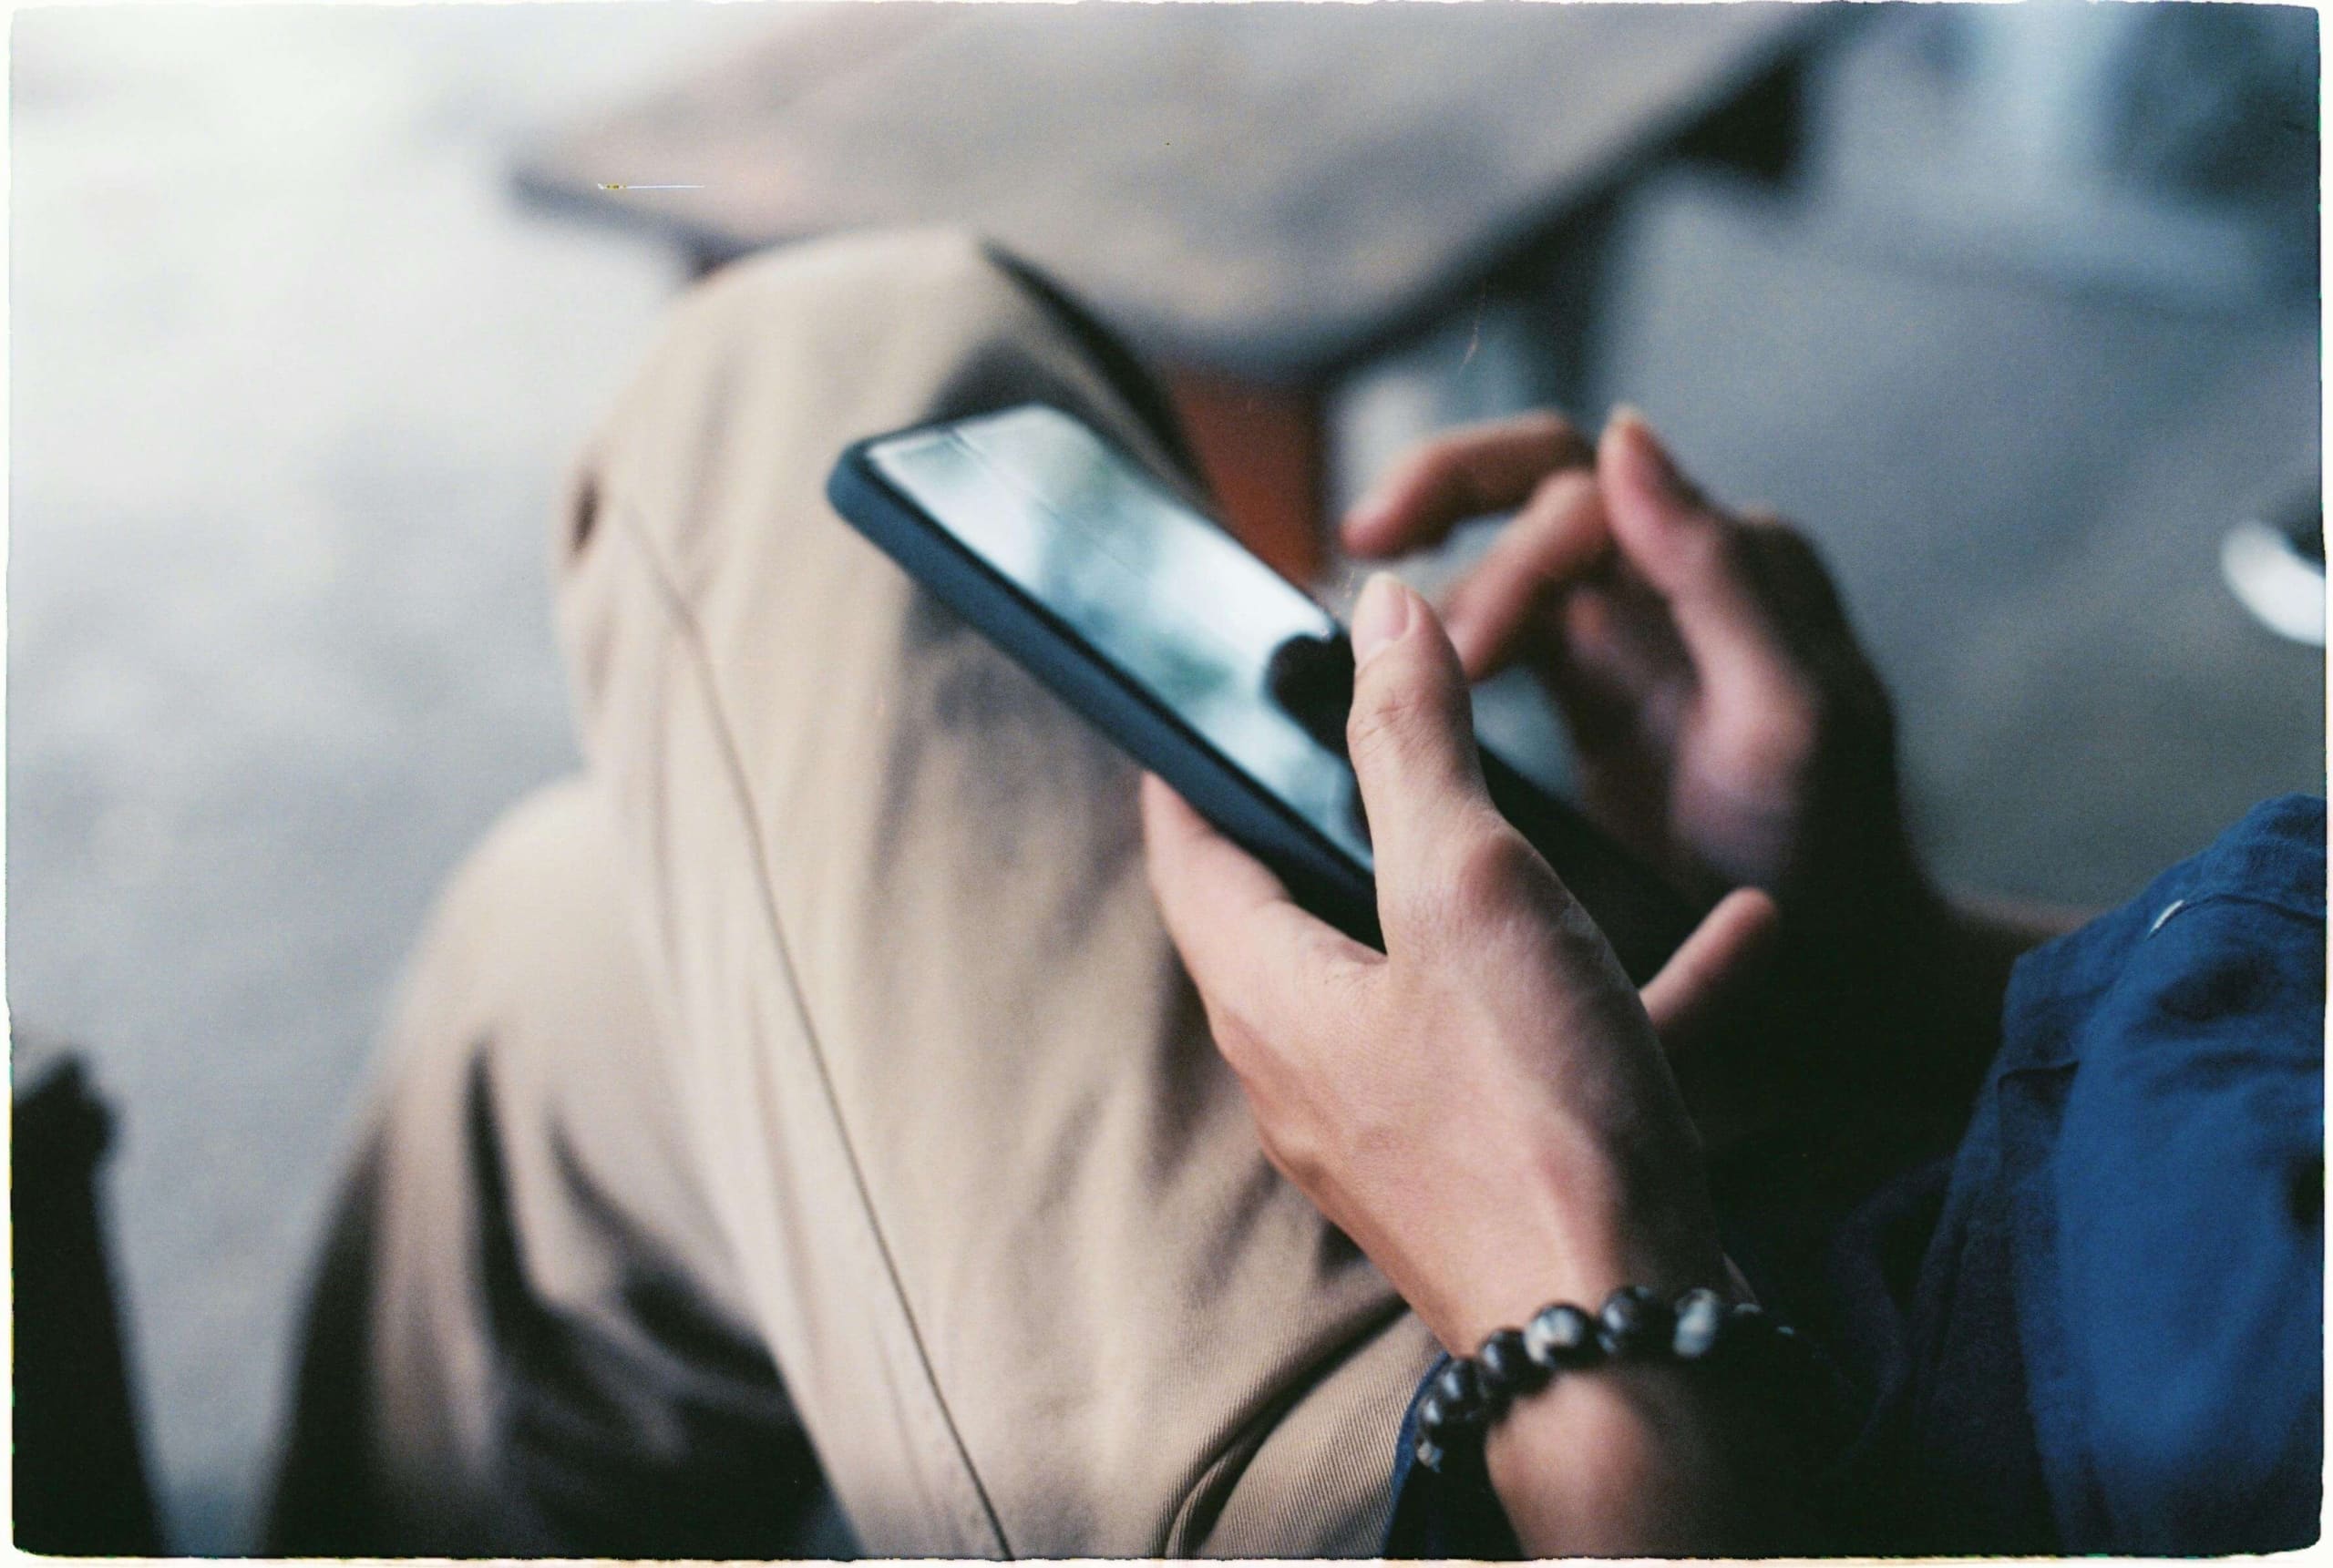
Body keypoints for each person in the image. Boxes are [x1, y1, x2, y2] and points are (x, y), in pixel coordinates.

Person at [265, 228, 2322, 1558]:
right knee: (567, 979)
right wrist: (1897, 960)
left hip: (1668, 1458)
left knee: (821, 349)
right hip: (1923, 1178)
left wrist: (1568, 1307)